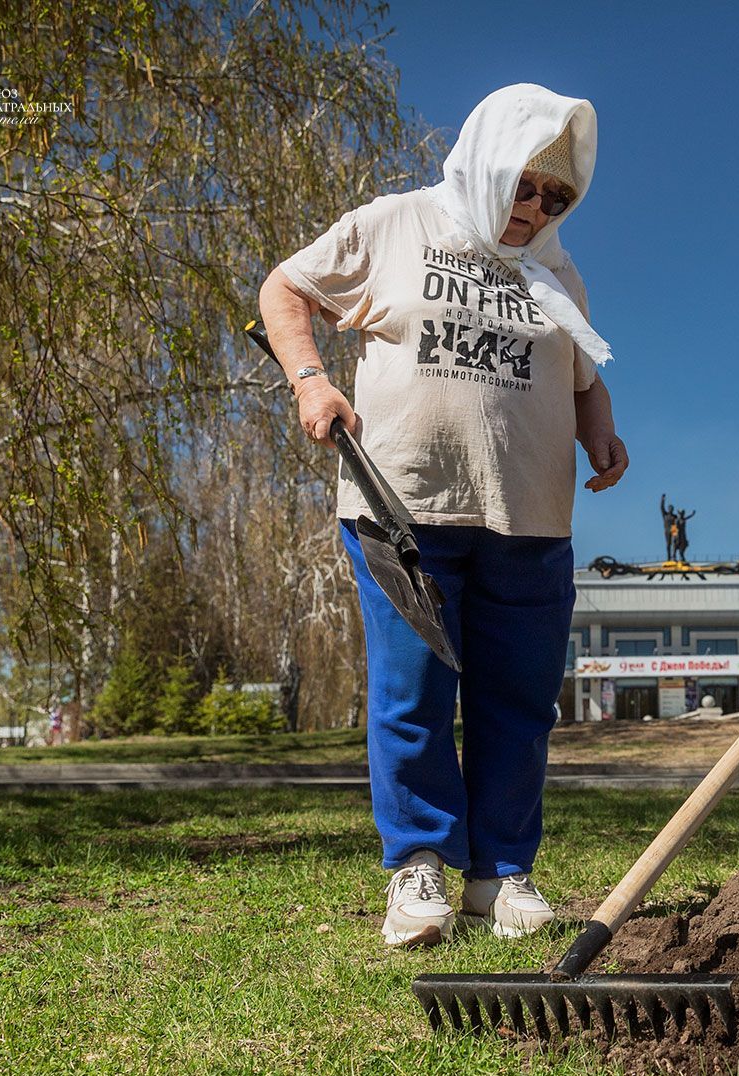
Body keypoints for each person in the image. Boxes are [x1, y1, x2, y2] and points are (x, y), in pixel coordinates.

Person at [260, 84, 628, 947]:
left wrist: (602, 433)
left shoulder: (558, 270)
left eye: (556, 197)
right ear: (488, 163)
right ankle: (419, 865)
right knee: (413, 695)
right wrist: (310, 380)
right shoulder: (397, 223)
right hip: (405, 508)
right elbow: (286, 288)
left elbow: (582, 374)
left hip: (531, 520)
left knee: (520, 703)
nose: (536, 208)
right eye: (524, 186)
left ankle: (499, 874)